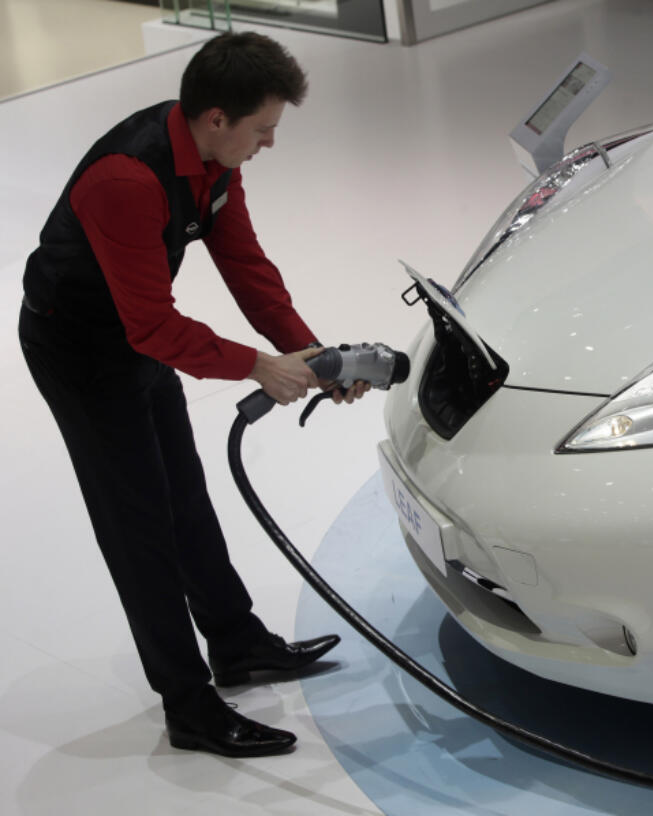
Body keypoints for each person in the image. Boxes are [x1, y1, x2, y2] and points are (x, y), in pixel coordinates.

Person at [17, 32, 367, 758]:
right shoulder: (127, 178)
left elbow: (246, 266)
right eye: (263, 128)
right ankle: (188, 704)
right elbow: (150, 324)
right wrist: (256, 366)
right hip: (80, 347)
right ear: (217, 118)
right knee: (138, 522)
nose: (270, 142)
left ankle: (236, 643)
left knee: (183, 495)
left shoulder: (210, 159)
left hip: (137, 337)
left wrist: (313, 356)